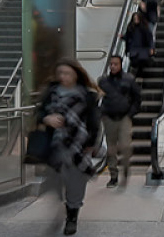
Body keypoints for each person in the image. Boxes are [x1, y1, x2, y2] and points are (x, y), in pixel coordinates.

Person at [36, 59, 103, 235]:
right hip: (55, 144)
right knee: (56, 179)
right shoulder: (51, 92)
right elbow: (39, 112)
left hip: (79, 145)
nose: (63, 77)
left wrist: (92, 143)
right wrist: (47, 118)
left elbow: (94, 121)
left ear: (76, 74)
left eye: (67, 73)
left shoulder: (87, 95)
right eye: (61, 73)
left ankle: (72, 216)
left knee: (76, 182)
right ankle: (62, 203)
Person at [97, 55, 141, 188]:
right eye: (111, 64)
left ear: (121, 65)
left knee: (125, 146)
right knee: (111, 149)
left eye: (115, 64)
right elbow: (96, 97)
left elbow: (137, 98)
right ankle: (113, 175)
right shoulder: (103, 81)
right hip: (109, 118)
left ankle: (126, 167)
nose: (113, 66)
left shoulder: (129, 80)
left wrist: (131, 114)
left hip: (124, 117)